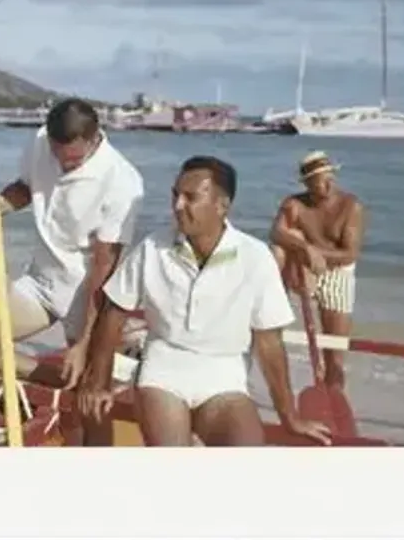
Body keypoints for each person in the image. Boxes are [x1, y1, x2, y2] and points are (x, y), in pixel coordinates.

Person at [77, 155, 331, 447]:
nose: (177, 206)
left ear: (222, 206)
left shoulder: (255, 256)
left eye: (190, 197)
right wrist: (98, 382)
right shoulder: (153, 247)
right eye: (175, 195)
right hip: (164, 369)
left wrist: (290, 416)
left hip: (225, 376)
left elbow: (269, 342)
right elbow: (114, 312)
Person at [0, 98, 145, 393]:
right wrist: (3, 201)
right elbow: (27, 187)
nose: (63, 165)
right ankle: (59, 380)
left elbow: (103, 270)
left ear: (94, 139)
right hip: (41, 282)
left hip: (86, 292)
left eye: (72, 161)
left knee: (90, 386)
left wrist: (84, 343)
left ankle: (119, 345)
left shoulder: (122, 182)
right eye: (57, 156)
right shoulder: (40, 142)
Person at [269, 151, 366, 391]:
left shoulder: (350, 206)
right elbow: (276, 233)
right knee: (279, 248)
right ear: (308, 184)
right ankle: (271, 309)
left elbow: (350, 254)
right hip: (304, 269)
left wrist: (315, 253)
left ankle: (333, 396)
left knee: (334, 354)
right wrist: (305, 248)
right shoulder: (295, 204)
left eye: (330, 176)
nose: (329, 183)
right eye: (321, 179)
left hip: (337, 272)